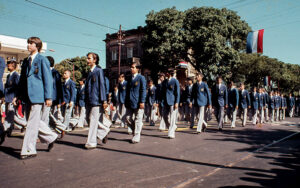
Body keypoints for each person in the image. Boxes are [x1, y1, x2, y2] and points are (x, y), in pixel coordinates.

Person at [17, 36, 57, 159]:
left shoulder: (42, 60)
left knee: (31, 125)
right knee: (33, 122)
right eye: (28, 43)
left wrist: (48, 97)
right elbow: (22, 80)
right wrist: (18, 95)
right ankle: (51, 137)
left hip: (38, 96)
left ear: (37, 46)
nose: (29, 45)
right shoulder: (25, 60)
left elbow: (48, 80)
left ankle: (29, 150)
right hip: (26, 96)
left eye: (31, 43)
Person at [84, 52, 108, 149]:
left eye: (89, 58)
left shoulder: (99, 71)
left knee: (93, 120)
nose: (87, 60)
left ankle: (91, 142)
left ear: (95, 60)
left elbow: (102, 85)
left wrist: (104, 100)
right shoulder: (89, 72)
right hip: (89, 99)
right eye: (87, 58)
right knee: (89, 119)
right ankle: (103, 131)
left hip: (96, 99)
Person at [123, 62, 146, 143]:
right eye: (131, 67)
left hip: (138, 102)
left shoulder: (141, 78)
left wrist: (142, 101)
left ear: (137, 69)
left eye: (133, 67)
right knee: (127, 118)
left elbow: (143, 90)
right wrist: (125, 101)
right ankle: (136, 130)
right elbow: (127, 91)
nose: (131, 69)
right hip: (129, 102)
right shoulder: (129, 78)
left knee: (138, 119)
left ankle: (136, 136)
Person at [0, 60, 20, 144]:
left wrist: (16, 98)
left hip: (12, 98)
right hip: (7, 98)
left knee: (11, 116)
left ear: (14, 67)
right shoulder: (8, 75)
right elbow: (6, 87)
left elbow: (17, 87)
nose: (8, 66)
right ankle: (9, 130)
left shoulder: (16, 75)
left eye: (10, 65)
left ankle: (3, 132)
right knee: (10, 115)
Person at [161, 69, 180, 138]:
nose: (165, 73)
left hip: (172, 101)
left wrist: (177, 102)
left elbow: (177, 93)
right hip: (165, 102)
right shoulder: (164, 82)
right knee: (164, 116)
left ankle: (171, 133)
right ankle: (171, 127)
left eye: (166, 72)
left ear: (169, 73)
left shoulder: (175, 81)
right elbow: (162, 92)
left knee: (172, 118)